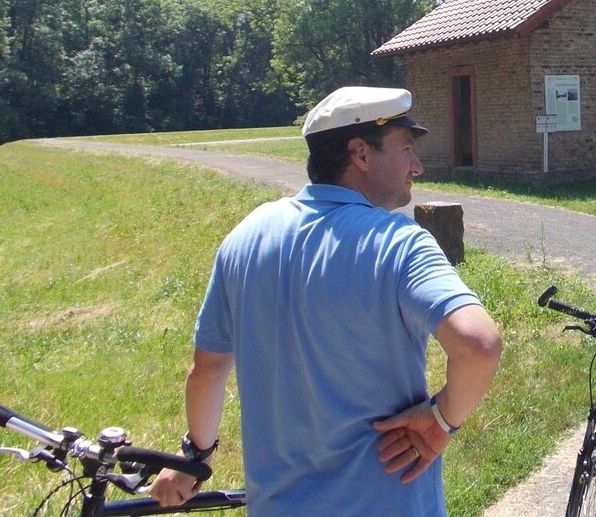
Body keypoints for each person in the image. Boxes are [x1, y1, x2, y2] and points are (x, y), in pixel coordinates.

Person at [149, 86, 503, 515]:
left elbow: (207, 371)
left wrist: (195, 459)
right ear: (361, 154)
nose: (417, 166)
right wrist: (442, 421)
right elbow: (479, 345)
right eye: (406, 149)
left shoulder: (246, 236)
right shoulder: (398, 242)